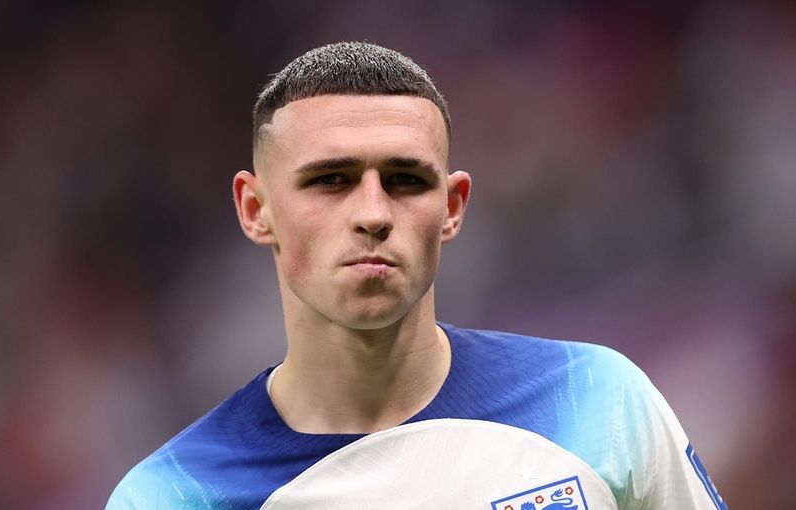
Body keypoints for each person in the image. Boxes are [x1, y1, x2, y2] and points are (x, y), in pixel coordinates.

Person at [106, 42, 728, 510]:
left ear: (452, 208)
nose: (374, 214)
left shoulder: (600, 400)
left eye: (405, 180)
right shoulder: (173, 496)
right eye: (330, 180)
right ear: (255, 208)